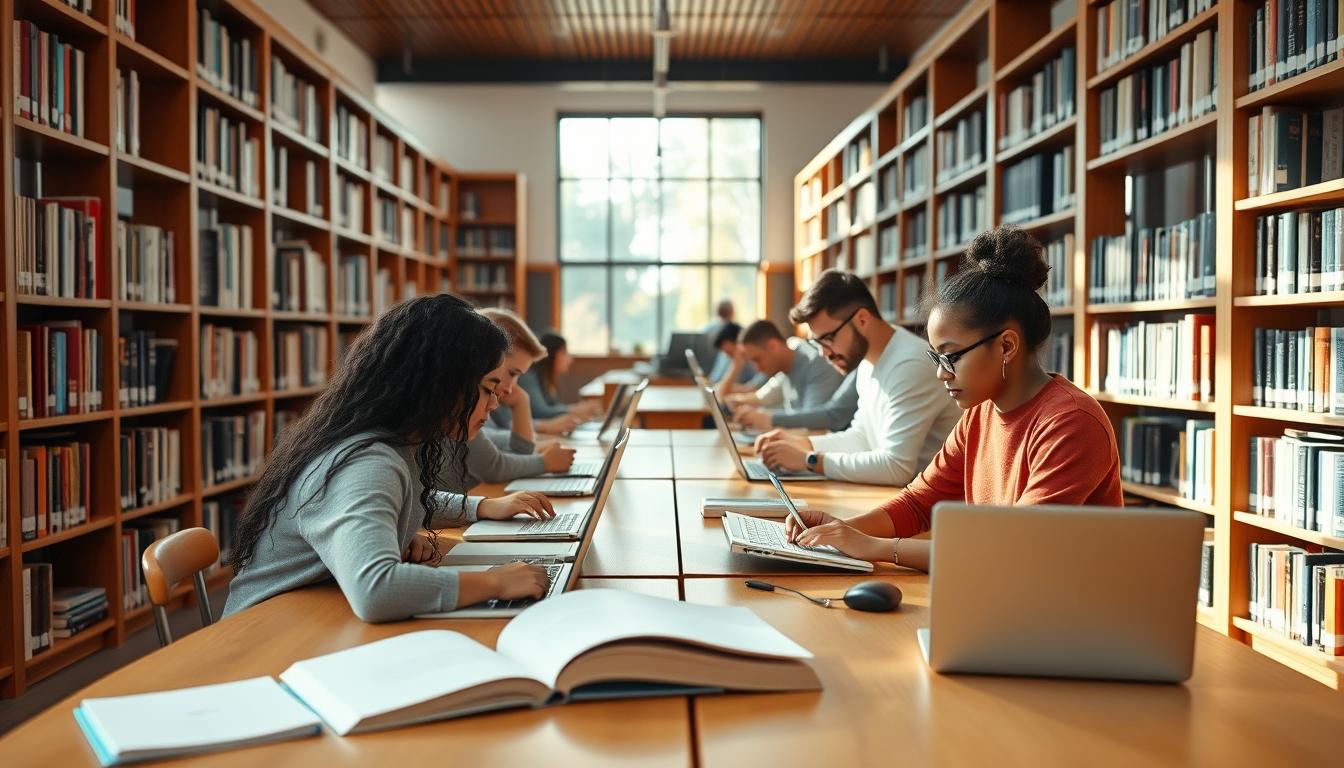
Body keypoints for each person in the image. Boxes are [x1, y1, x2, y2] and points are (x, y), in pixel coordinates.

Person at [787, 227, 1124, 570]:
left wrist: (875, 547)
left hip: (1066, 610)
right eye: (936, 358)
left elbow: (1015, 548)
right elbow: (919, 504)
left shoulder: (1072, 422)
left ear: (1007, 345)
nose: (941, 374)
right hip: (1006, 593)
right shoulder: (980, 414)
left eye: (952, 356)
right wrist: (840, 530)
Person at [222, 295, 557, 623]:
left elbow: (400, 500)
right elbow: (376, 589)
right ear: (439, 385)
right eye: (488, 388)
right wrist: (495, 582)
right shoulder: (367, 462)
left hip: (308, 621)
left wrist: (479, 508)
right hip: (260, 642)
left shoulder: (395, 444)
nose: (495, 404)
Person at [754, 270, 961, 486]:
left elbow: (896, 467)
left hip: (931, 509)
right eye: (817, 343)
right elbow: (861, 438)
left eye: (827, 338)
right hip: (903, 498)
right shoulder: (867, 363)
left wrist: (810, 460)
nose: (824, 353)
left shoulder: (909, 364)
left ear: (862, 319)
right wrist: (803, 443)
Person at [460, 309, 575, 487]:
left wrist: (523, 405)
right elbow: (493, 465)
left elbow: (509, 446)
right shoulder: (461, 405)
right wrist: (544, 462)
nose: (511, 387)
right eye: (512, 373)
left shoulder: (482, 403)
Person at [724, 319, 857, 432]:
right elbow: (762, 398)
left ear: (773, 346)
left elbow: (814, 428)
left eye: (757, 359)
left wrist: (768, 419)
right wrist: (739, 405)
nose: (757, 369)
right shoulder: (787, 360)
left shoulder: (817, 361)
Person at [497, 332, 599, 435]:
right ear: (552, 353)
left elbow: (550, 406)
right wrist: (572, 410)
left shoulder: (545, 378)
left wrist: (573, 411)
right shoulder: (529, 376)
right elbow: (540, 411)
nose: (570, 359)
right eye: (564, 352)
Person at [707, 321, 766, 390]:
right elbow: (714, 381)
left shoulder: (756, 362)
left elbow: (751, 388)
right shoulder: (727, 357)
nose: (728, 356)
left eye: (730, 352)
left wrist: (735, 367)